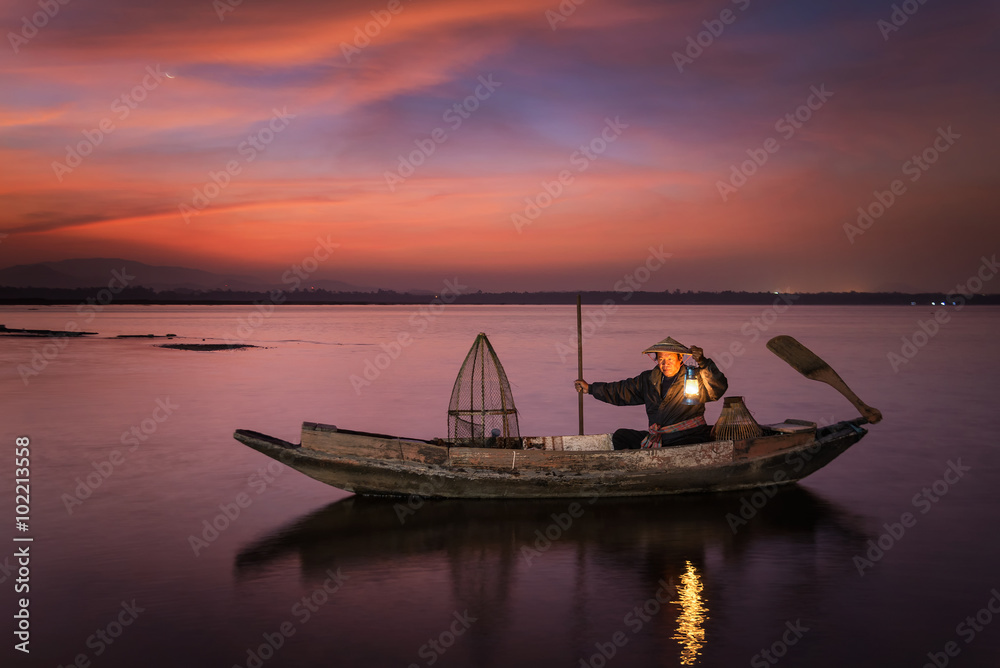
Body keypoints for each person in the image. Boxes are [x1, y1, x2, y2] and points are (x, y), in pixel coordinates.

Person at [573, 337, 727, 449]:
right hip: (660, 437)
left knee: (689, 446)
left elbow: (718, 388)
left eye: (669, 359)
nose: (665, 364)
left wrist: (703, 362)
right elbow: (622, 391)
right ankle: (632, 470)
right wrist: (590, 389)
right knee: (621, 436)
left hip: (687, 437)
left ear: (680, 359)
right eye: (661, 359)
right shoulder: (649, 379)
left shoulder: (694, 377)